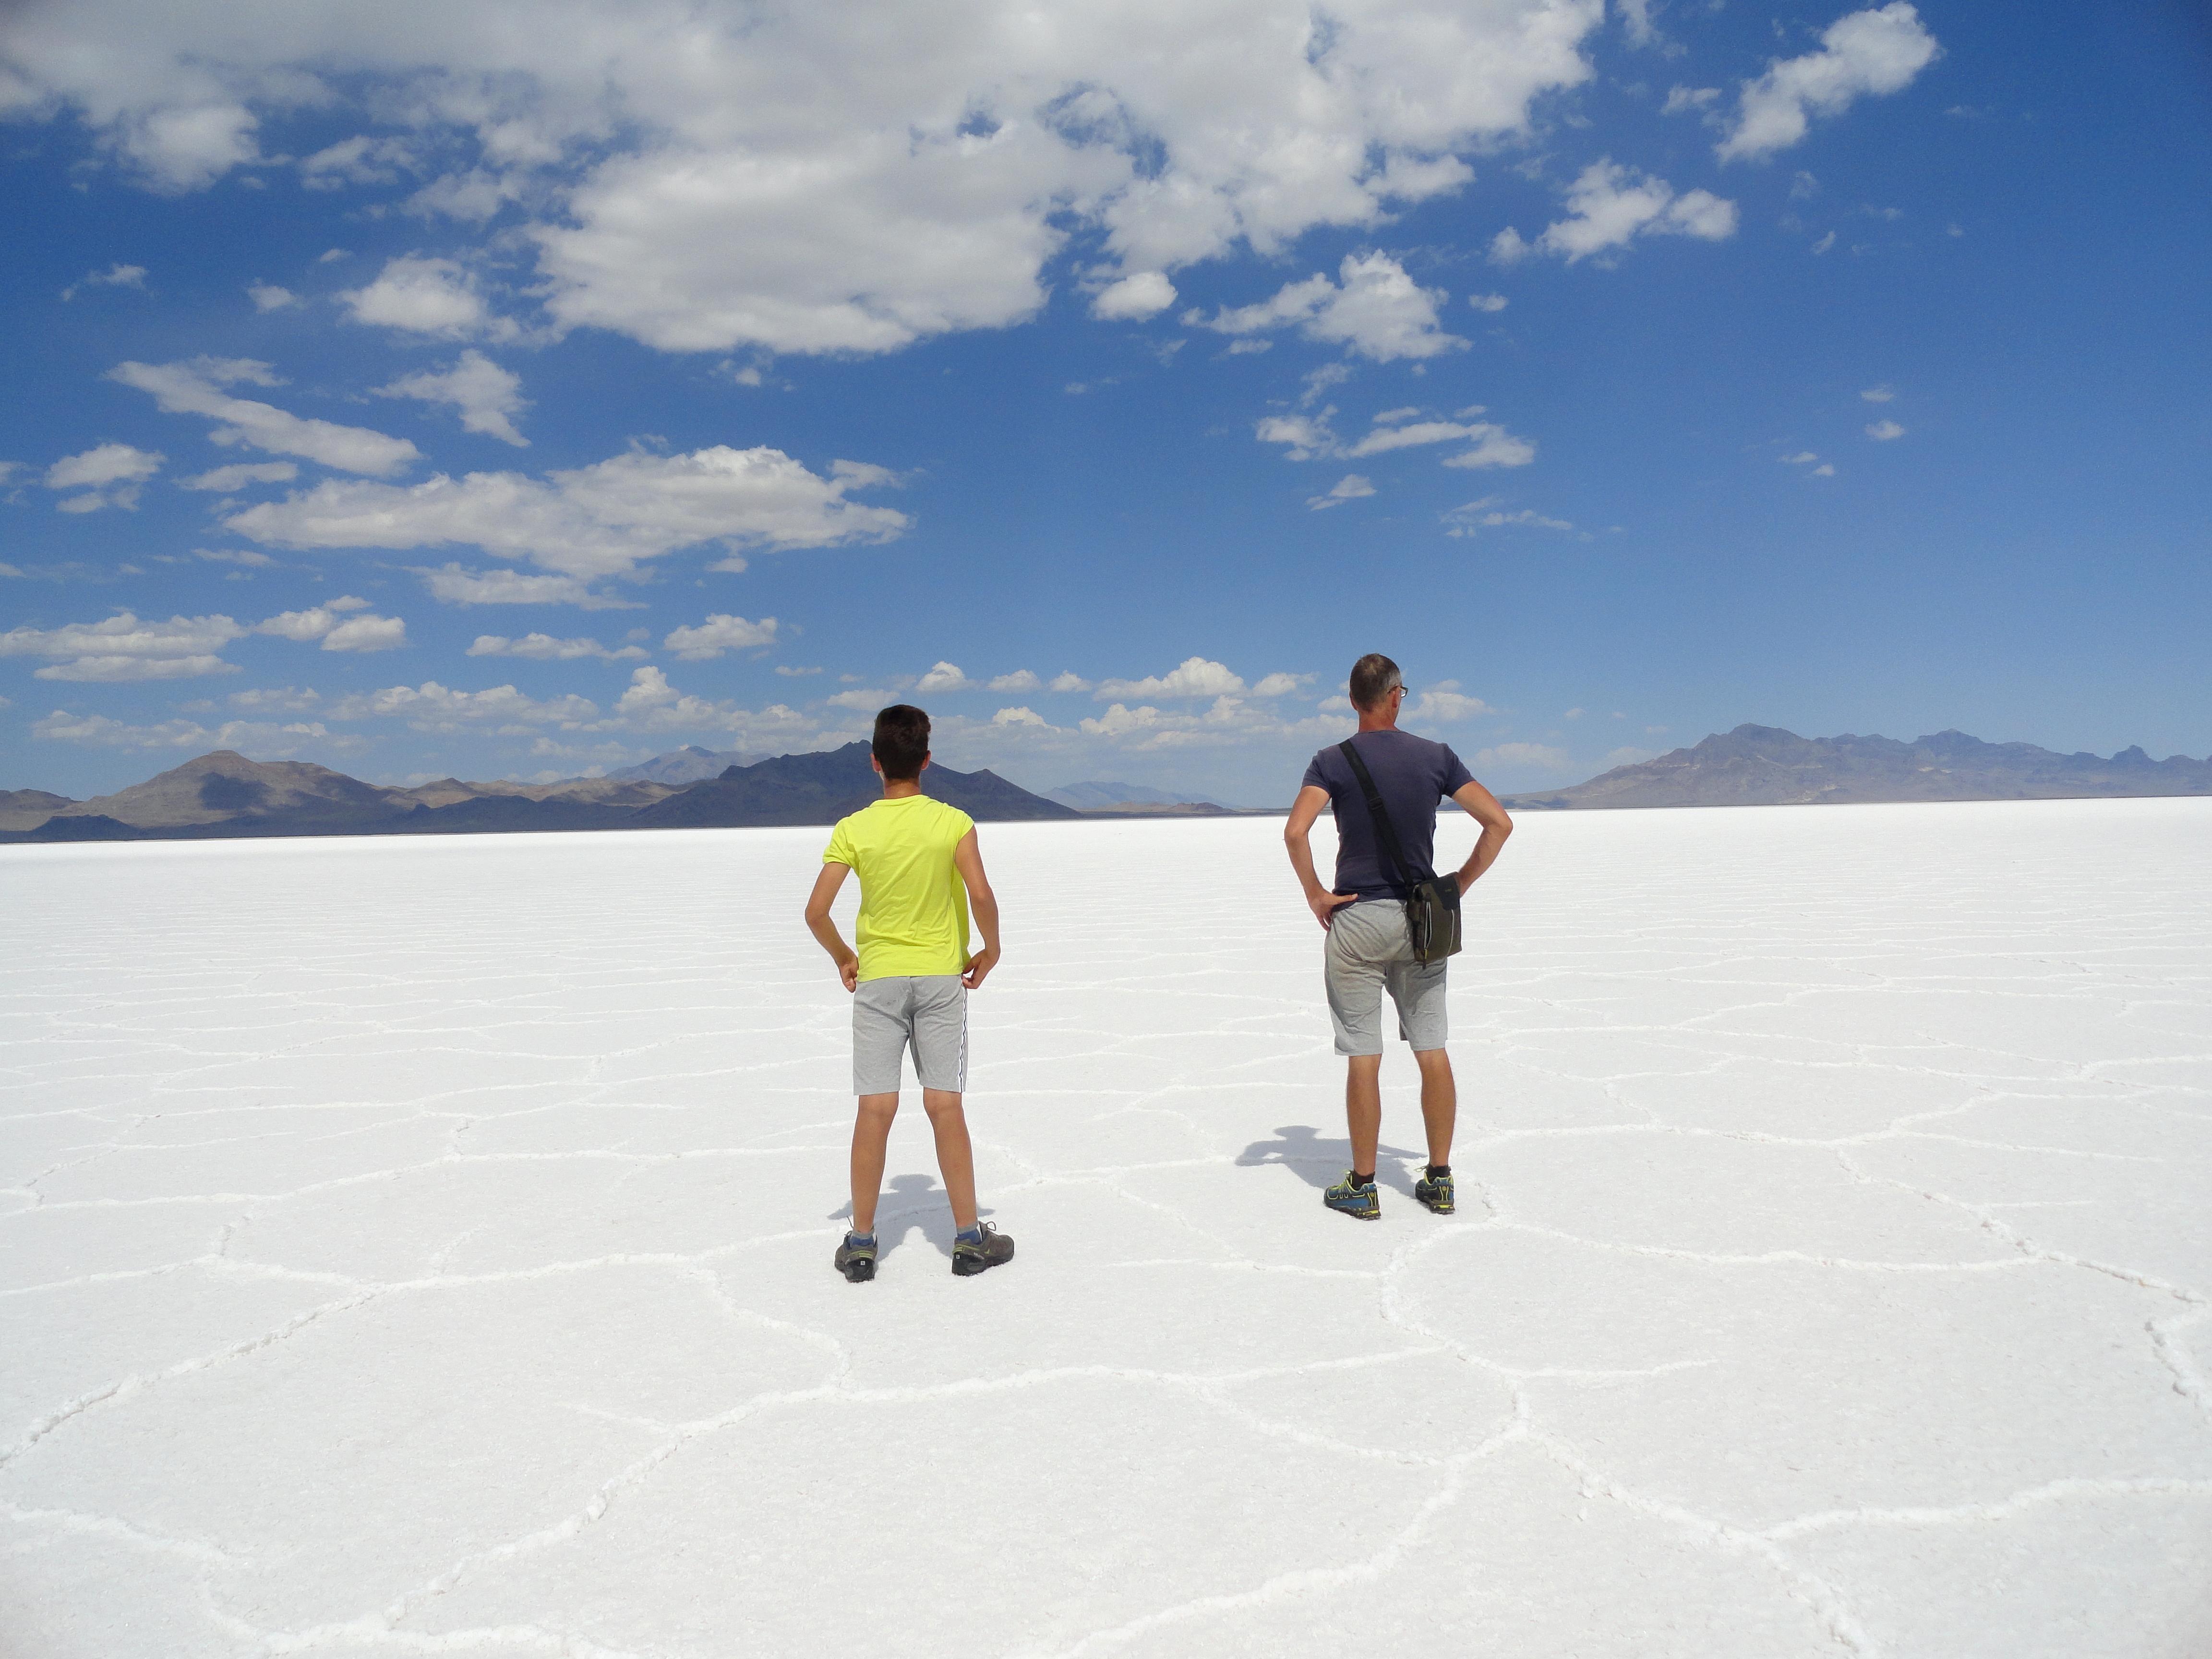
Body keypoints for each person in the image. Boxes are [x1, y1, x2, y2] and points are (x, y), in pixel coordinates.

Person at [1283, 654, 1513, 1220]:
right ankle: (1438, 1181)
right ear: (1395, 697)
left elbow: (1295, 831)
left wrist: (1316, 894)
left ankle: (1363, 1189)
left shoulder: (1331, 761)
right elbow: (1500, 823)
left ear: (1354, 700)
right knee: (1431, 1050)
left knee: (1365, 1056)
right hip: (1422, 921)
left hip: (1357, 919)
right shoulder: (1436, 758)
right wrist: (1457, 884)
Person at [804, 705, 1013, 1281]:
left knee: (876, 1109)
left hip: (878, 979)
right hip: (943, 977)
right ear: (927, 759)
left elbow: (816, 912)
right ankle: (970, 1240)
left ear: (875, 763)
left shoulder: (854, 828)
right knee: (945, 1106)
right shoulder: (953, 822)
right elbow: (981, 894)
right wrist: (990, 950)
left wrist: (846, 957)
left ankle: (864, 1243)